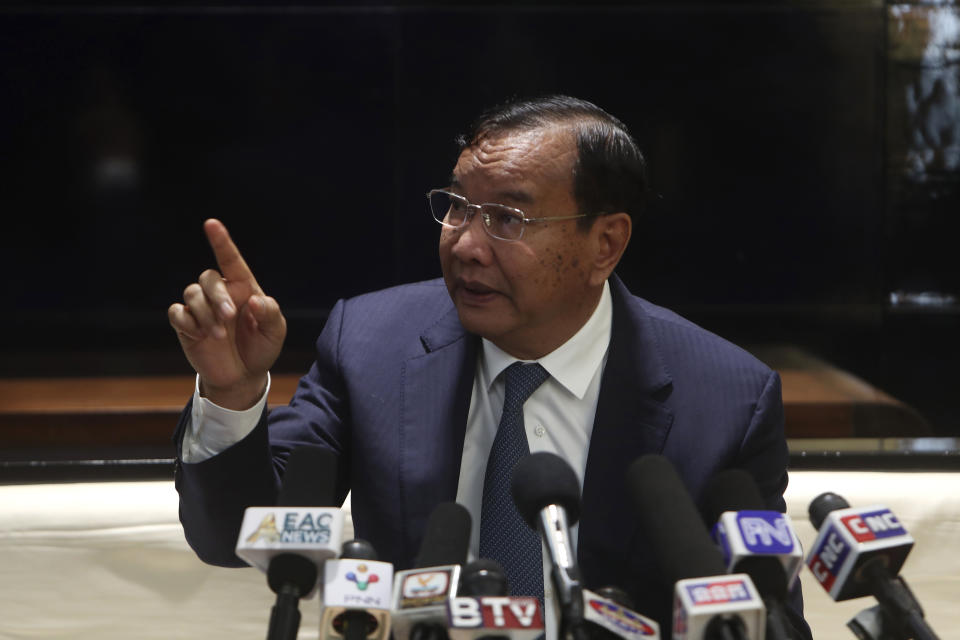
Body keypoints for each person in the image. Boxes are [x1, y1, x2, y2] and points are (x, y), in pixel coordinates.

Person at [169, 95, 811, 638]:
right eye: (455, 206)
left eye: (508, 217)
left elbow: (772, 615)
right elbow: (233, 537)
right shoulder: (371, 346)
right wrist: (232, 391)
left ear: (605, 243)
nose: (466, 244)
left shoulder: (726, 398)